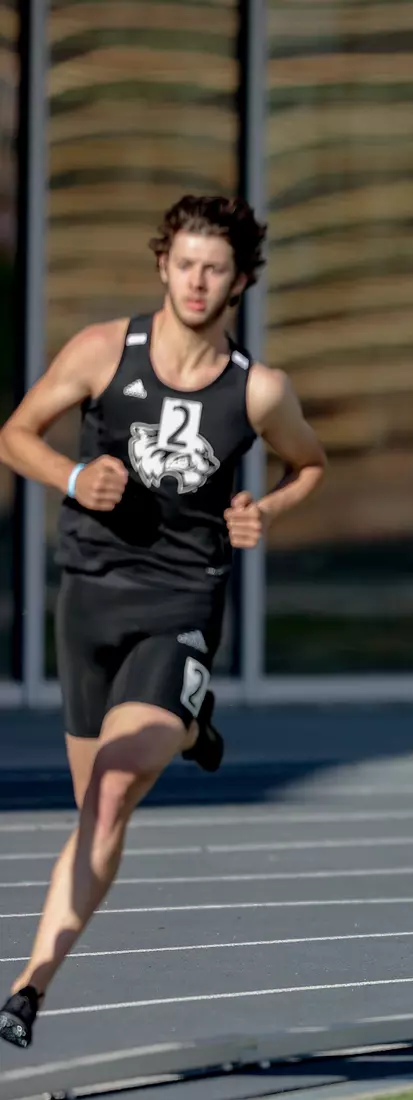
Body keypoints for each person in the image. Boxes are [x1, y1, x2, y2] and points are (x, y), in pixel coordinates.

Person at [0, 196, 327, 1047]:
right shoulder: (103, 351)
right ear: (162, 266)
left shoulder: (259, 389)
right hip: (90, 601)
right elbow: (15, 435)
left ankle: (28, 988)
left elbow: (311, 462)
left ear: (241, 281)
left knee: (110, 796)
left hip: (180, 603)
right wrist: (74, 480)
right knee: (92, 812)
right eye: (184, 263)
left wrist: (272, 510)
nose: (197, 280)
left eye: (214, 267)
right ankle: (190, 723)